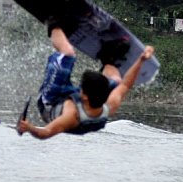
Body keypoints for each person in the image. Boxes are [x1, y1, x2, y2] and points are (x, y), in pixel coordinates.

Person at [17, 16, 155, 139]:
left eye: (82, 87)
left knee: (68, 54)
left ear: (84, 95)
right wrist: (141, 59)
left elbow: (46, 132)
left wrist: (29, 128)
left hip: (51, 102)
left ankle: (54, 23)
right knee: (117, 82)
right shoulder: (109, 107)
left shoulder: (71, 115)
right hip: (80, 103)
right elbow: (126, 84)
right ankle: (109, 59)